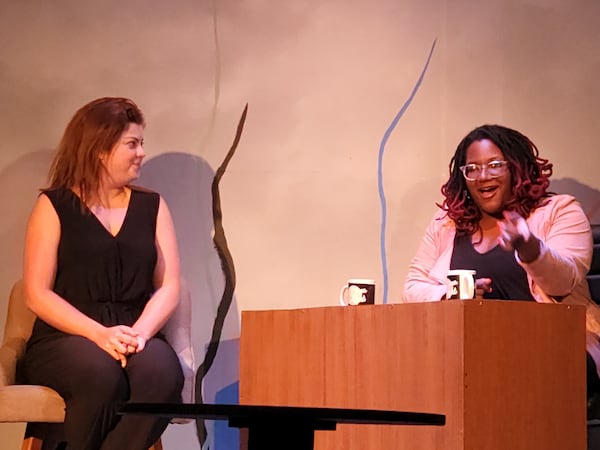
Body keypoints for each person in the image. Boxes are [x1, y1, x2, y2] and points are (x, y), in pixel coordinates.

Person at [403, 124, 600, 417]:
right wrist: (452, 294)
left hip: (555, 350)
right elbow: (413, 285)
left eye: (495, 165)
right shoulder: (447, 224)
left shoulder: (559, 211)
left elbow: (562, 282)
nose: (483, 177)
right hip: (471, 353)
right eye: (472, 168)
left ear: (517, 169)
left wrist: (529, 247)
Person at [21, 97, 184, 449]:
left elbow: (169, 285)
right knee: (100, 374)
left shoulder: (153, 206)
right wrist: (98, 334)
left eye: (141, 143)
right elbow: (36, 293)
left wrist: (139, 334)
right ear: (99, 149)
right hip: (66, 335)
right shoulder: (54, 205)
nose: (141, 152)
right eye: (132, 143)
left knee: (161, 374)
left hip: (133, 330)